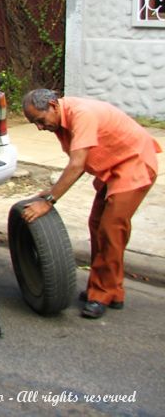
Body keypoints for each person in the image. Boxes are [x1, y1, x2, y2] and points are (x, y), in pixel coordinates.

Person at [21, 89, 161, 319]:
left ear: (53, 106)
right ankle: (113, 290)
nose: (39, 127)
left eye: (40, 120)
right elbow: (80, 162)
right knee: (97, 225)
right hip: (114, 168)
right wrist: (54, 191)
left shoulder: (81, 115)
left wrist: (49, 201)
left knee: (110, 229)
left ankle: (102, 293)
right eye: (33, 123)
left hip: (135, 163)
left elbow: (77, 165)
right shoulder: (61, 119)